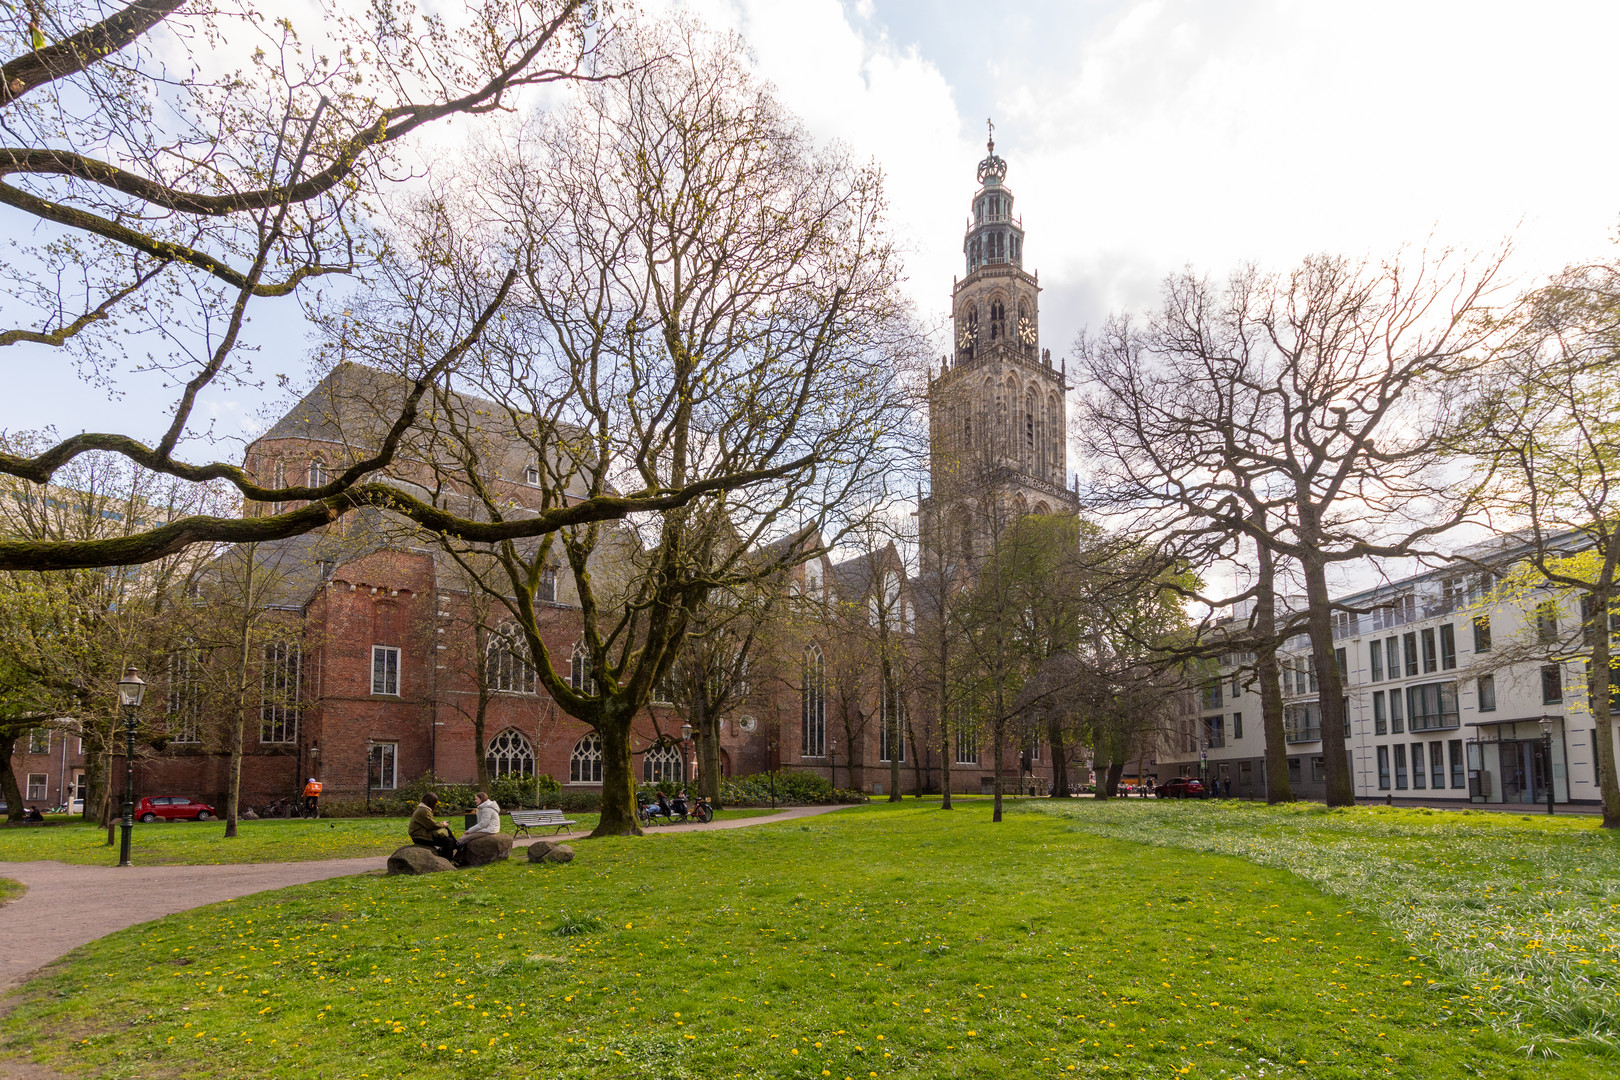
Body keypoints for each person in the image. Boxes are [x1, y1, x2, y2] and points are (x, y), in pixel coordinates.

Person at [454, 791, 501, 863]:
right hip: (487, 828)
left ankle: (457, 858)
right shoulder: (483, 807)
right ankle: (459, 858)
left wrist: (469, 831)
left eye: (476, 799)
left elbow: (483, 824)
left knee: (463, 838)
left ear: (481, 799)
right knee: (467, 839)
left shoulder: (487, 809)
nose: (475, 801)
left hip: (489, 830)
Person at [409, 791, 457, 861]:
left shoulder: (423, 809)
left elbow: (430, 823)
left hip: (422, 834)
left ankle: (455, 845)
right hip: (420, 837)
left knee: (446, 832)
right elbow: (431, 825)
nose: (436, 804)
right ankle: (447, 860)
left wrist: (442, 824)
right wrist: (442, 824)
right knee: (449, 841)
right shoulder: (424, 811)